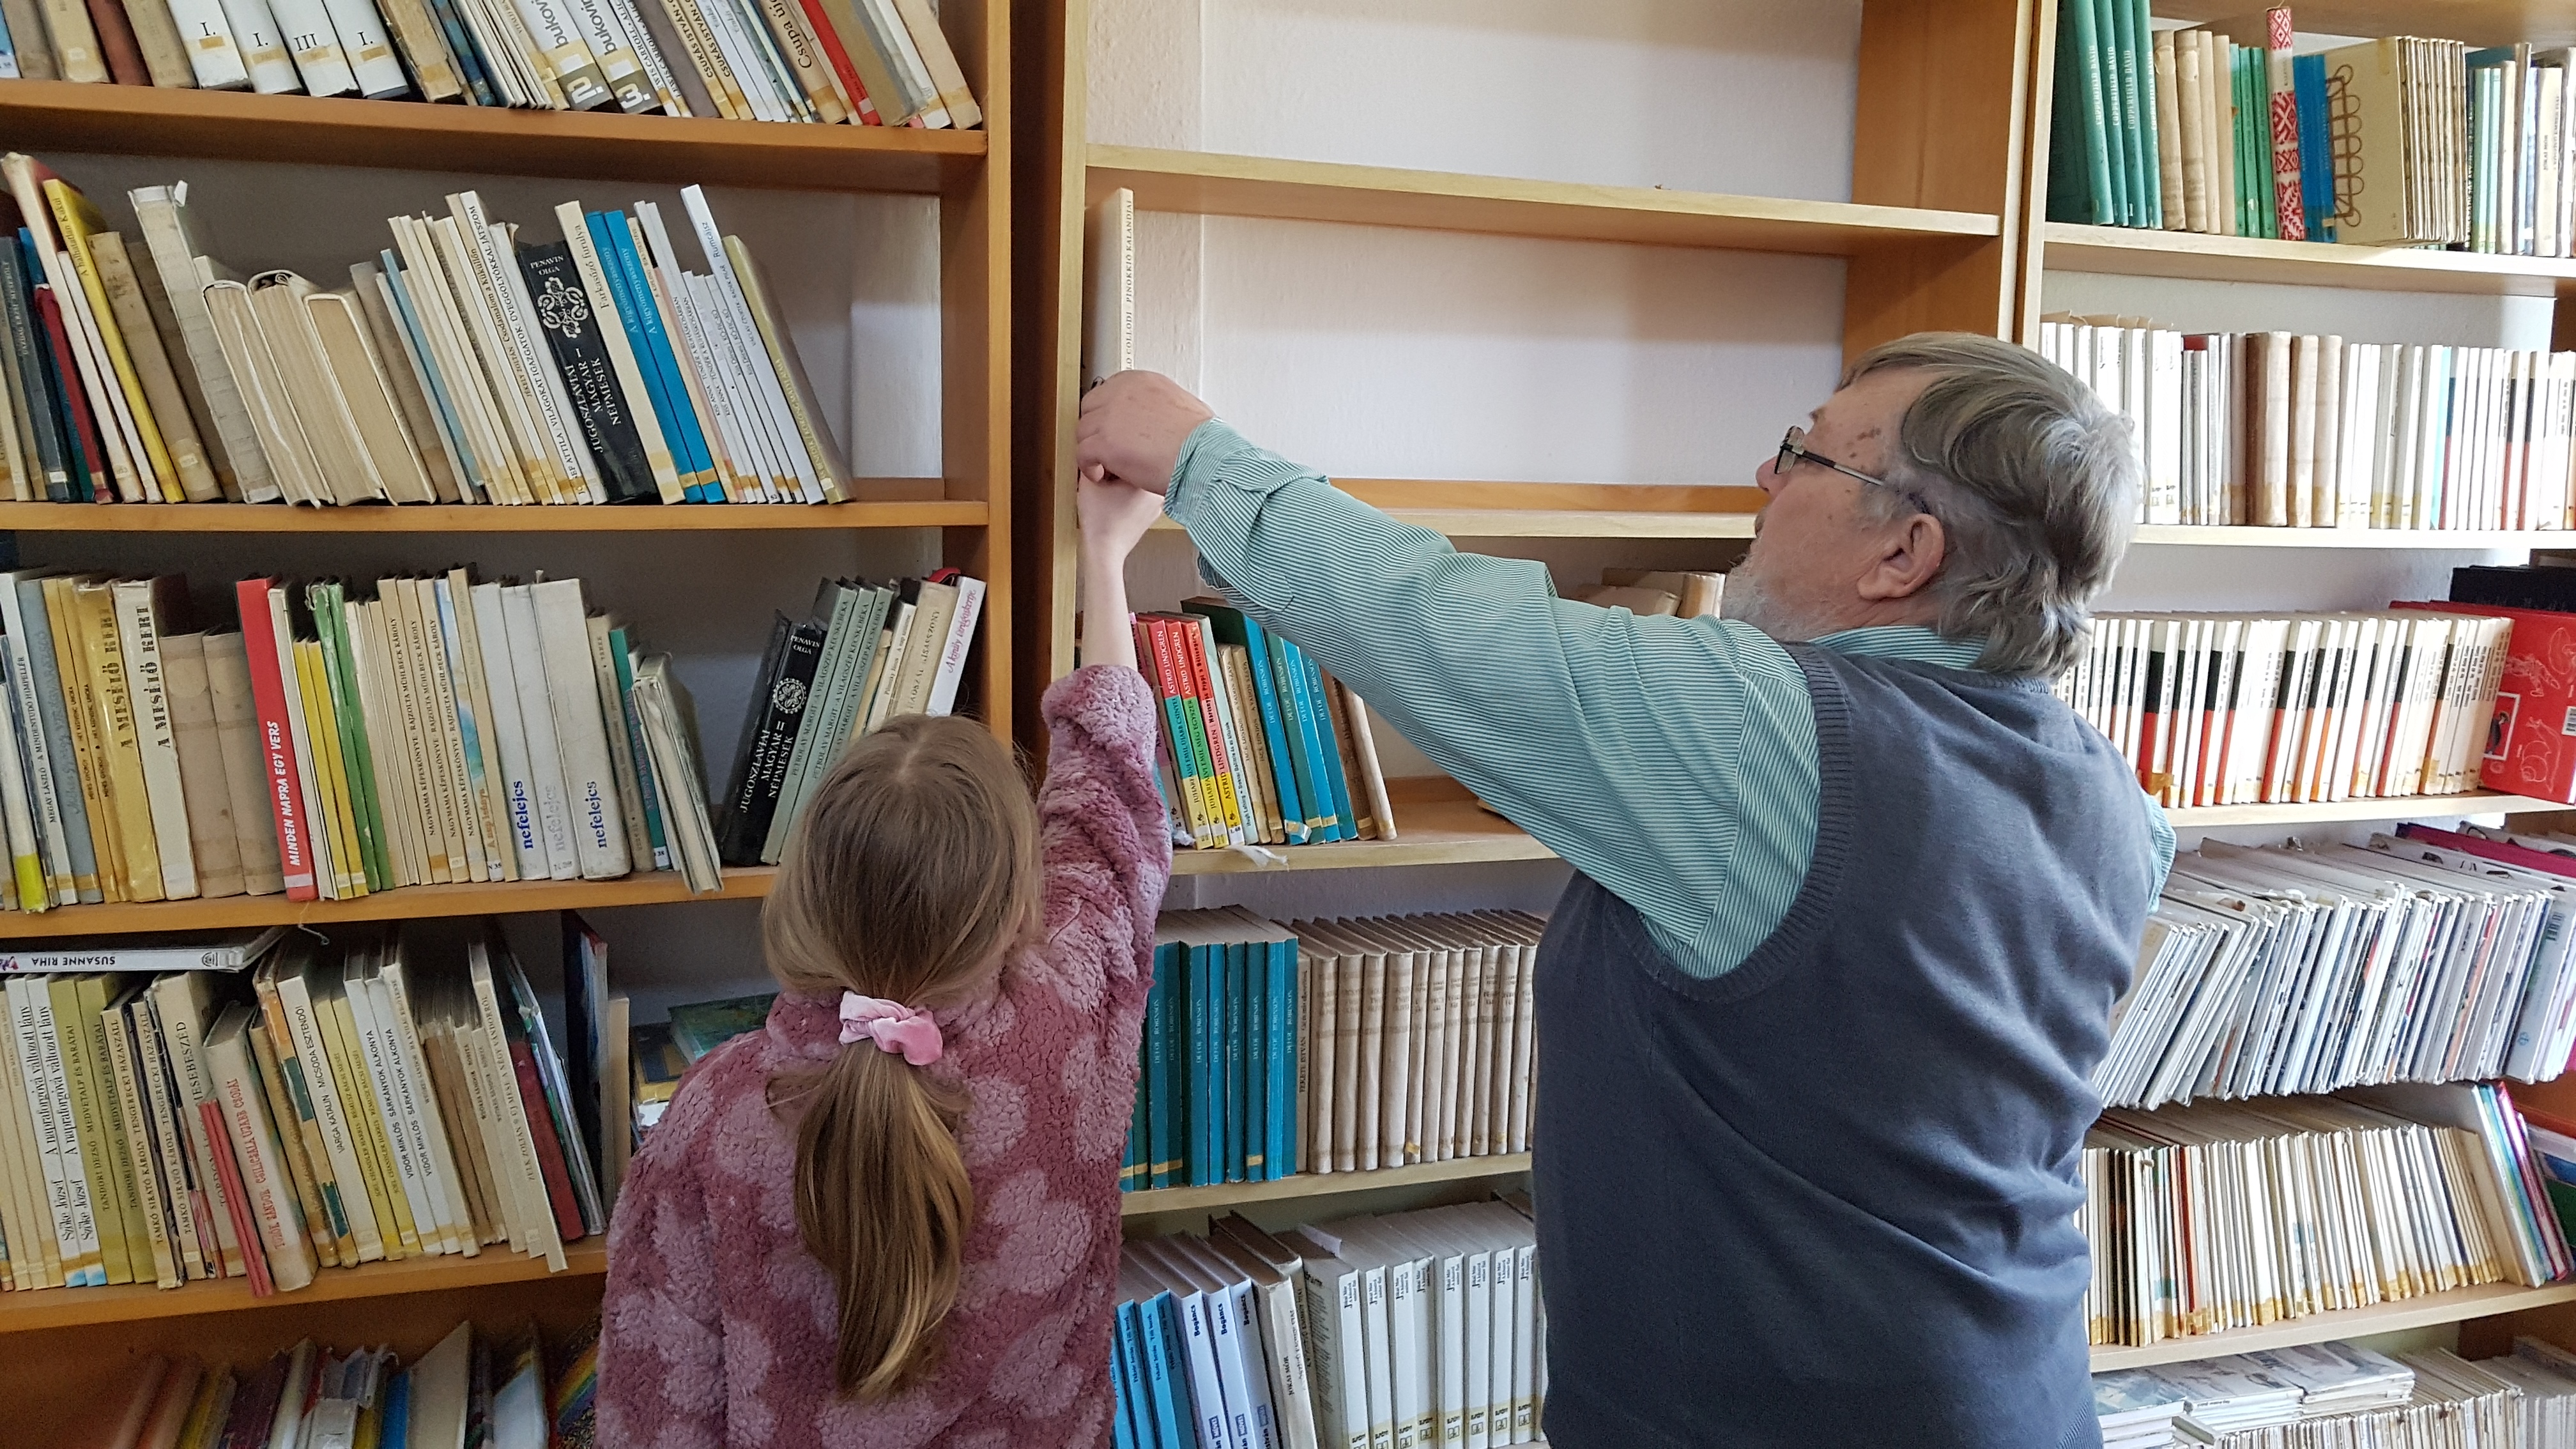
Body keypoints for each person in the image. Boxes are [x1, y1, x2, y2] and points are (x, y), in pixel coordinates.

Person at [1075, 332, 2175, 1448]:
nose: (1767, 475)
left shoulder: (1766, 730)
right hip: (2025, 1399)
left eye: (1806, 454)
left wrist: (1196, 457)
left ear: (1905, 551)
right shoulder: (2116, 799)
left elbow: (1436, 621)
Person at [597, 474, 1174, 1448]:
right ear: (1017, 912)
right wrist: (1106, 555)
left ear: (805, 893)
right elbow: (1106, 797)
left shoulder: (717, 1115)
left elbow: (660, 1407)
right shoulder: (1073, 1014)